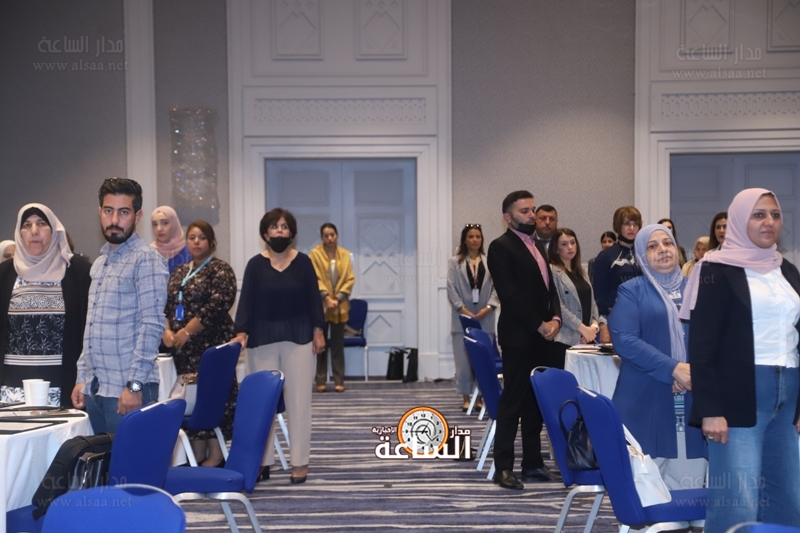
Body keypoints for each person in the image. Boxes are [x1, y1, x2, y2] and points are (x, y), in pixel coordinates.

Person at [685, 189, 800, 532]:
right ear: (738, 220)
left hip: (789, 391)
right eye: (759, 214)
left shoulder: (787, 269)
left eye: (775, 215)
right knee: (737, 501)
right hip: (737, 395)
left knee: (788, 499)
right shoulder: (716, 269)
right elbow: (702, 346)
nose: (769, 222)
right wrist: (709, 409)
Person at [608, 224, 706, 490]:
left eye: (668, 243)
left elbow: (715, 339)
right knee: (645, 492)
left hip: (691, 405)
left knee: (688, 493)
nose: (663, 249)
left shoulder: (697, 289)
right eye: (652, 246)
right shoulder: (632, 290)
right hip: (647, 402)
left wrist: (693, 372)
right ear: (641, 255)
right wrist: (673, 368)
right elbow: (625, 339)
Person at [232, 208, 325, 484]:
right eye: (274, 226)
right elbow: (246, 301)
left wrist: (318, 331)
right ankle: (262, 462)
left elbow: (314, 299)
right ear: (265, 233)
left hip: (300, 339)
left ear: (292, 233)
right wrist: (240, 333)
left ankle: (299, 462)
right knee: (263, 405)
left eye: (284, 227)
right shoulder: (254, 265)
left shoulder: (304, 263)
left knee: (299, 403)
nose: (279, 231)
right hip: (262, 340)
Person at [71, 178, 169, 433]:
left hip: (130, 392)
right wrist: (82, 378)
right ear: (100, 212)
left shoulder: (146, 260)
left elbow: (152, 327)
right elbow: (91, 328)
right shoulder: (99, 264)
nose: (114, 220)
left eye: (123, 212)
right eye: (108, 211)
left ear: (137, 216)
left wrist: (134, 387)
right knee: (102, 460)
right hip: (97, 390)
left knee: (133, 460)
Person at [487, 190, 561, 490]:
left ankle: (533, 464)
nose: (532, 216)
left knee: (535, 403)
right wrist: (539, 325)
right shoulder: (500, 247)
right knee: (513, 401)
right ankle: (503, 467)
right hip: (519, 336)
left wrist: (555, 319)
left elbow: (549, 289)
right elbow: (510, 295)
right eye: (525, 211)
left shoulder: (538, 245)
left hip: (544, 336)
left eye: (533, 210)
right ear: (508, 217)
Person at [163, 220, 237, 467]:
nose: (196, 242)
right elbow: (165, 306)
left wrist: (186, 331)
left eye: (202, 237)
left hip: (211, 349)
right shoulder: (179, 273)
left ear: (211, 242)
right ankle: (196, 458)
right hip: (184, 353)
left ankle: (216, 456)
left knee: (211, 400)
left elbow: (217, 306)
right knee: (191, 403)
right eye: (192, 237)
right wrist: (167, 332)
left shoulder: (221, 270)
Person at [0, 204, 91, 407]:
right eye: (27, 225)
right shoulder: (4, 274)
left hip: (64, 387)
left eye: (41, 224)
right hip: (9, 391)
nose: (34, 231)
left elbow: (89, 331)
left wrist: (84, 378)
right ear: (19, 232)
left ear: (54, 230)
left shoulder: (77, 271)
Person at [446, 223, 499, 411]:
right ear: (464, 240)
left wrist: (488, 307)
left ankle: (479, 398)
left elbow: (497, 287)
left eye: (478, 236)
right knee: (463, 362)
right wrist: (464, 311)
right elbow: (451, 288)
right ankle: (466, 397)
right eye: (471, 236)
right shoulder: (455, 262)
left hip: (485, 318)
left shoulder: (490, 261)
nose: (475, 240)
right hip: (462, 319)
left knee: (482, 362)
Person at [309, 223, 355, 393]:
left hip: (339, 306)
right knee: (320, 345)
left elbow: (350, 278)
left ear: (337, 235)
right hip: (321, 305)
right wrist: (327, 298)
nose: (329, 238)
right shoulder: (314, 254)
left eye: (332, 235)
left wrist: (337, 299)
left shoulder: (345, 254)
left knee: (337, 345)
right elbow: (315, 278)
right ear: (322, 237)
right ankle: (320, 380)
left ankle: (338, 380)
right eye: (326, 235)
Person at [592, 206, 642, 343]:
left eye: (635, 224)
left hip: (643, 319)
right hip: (615, 319)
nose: (632, 228)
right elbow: (598, 294)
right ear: (618, 226)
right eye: (627, 223)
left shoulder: (645, 255)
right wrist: (603, 325)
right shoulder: (606, 256)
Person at [548, 228, 599, 360]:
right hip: (566, 339)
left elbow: (592, 301)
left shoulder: (582, 272)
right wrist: (582, 328)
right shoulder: (552, 271)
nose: (570, 247)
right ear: (556, 249)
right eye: (564, 244)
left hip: (587, 339)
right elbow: (557, 305)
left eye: (572, 242)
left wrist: (594, 326)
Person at [150, 206, 191, 273]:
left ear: (174, 224)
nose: (159, 229)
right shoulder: (149, 252)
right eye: (155, 224)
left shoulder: (190, 252)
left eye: (165, 223)